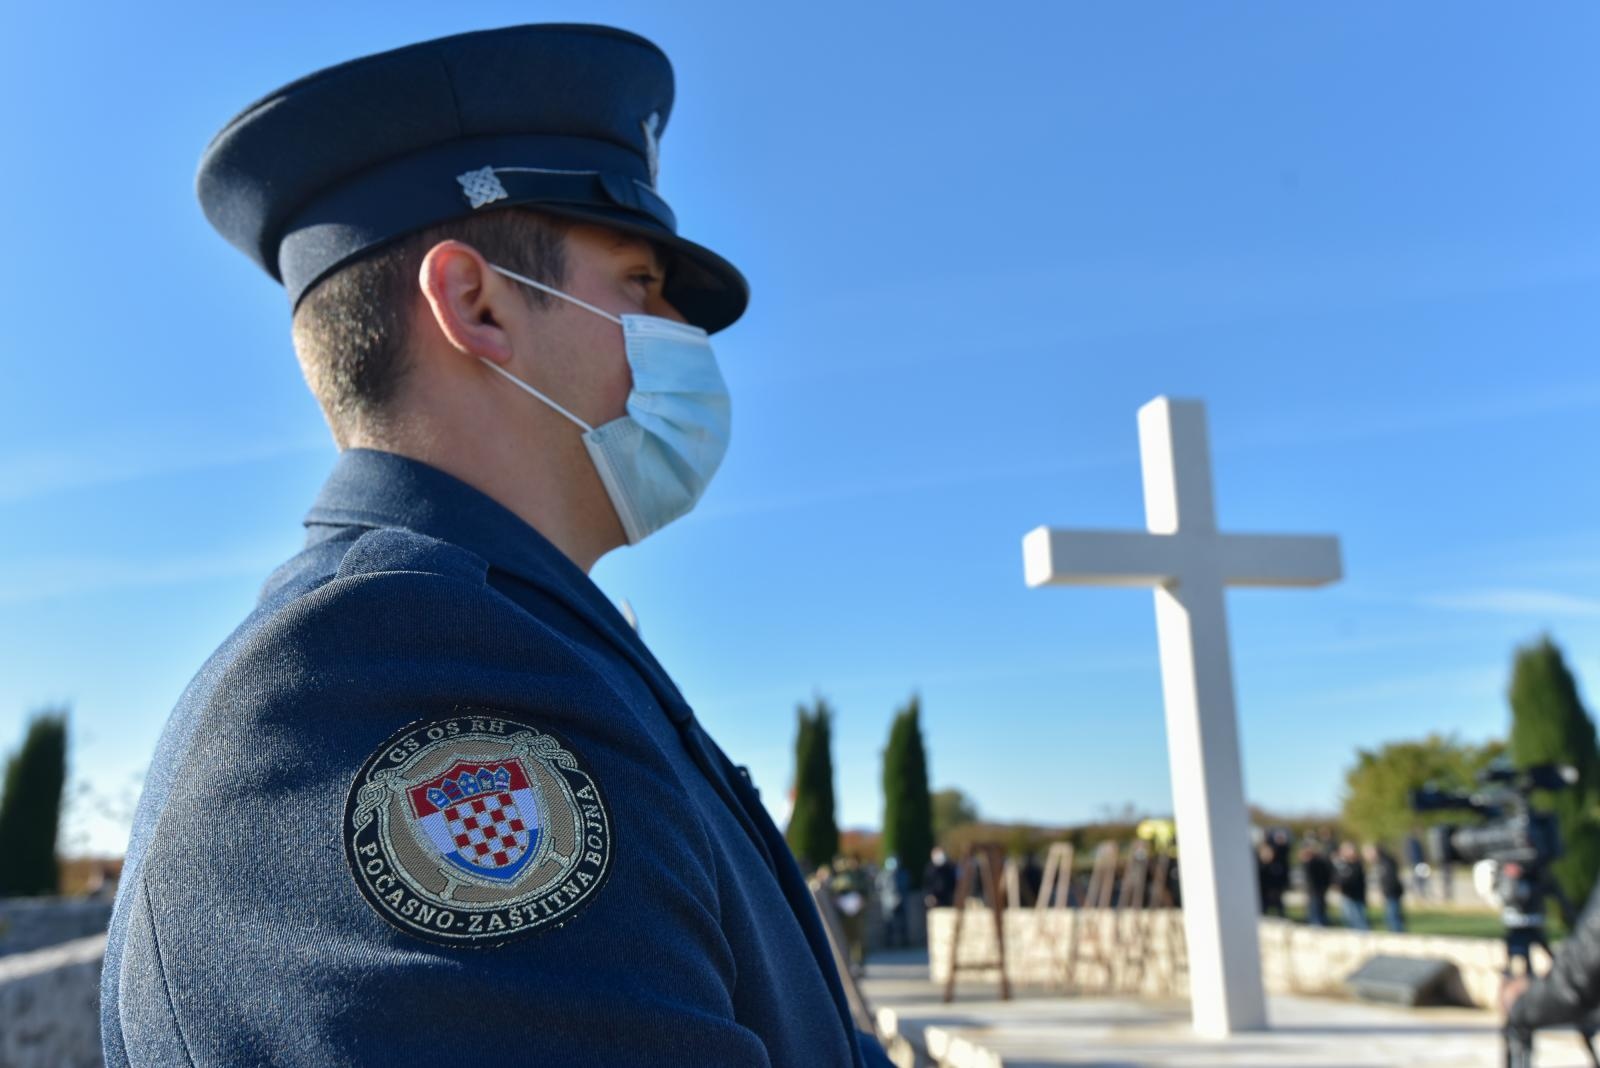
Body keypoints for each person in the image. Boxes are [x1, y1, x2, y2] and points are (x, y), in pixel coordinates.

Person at [100, 24, 891, 1068]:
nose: (682, 341)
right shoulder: (400, 668)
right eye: (641, 286)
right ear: (476, 306)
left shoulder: (518, 636)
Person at [1367, 842, 1406, 932]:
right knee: (1390, 918)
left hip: (1392, 893)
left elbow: (1390, 880)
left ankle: (1399, 937)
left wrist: (1386, 892)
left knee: (1393, 918)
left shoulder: (1386, 862)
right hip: (1389, 893)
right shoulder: (1381, 862)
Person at [1334, 840, 1370, 930]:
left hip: (1356, 896)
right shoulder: (1343, 864)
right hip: (1347, 895)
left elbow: (1352, 879)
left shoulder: (1357, 864)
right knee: (1348, 921)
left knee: (1359, 921)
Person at [1299, 840, 1333, 927]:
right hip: (1313, 889)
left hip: (1318, 889)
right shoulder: (1310, 861)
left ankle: (1319, 924)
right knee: (1314, 909)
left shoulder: (1321, 860)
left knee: (1318, 909)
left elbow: (1326, 873)